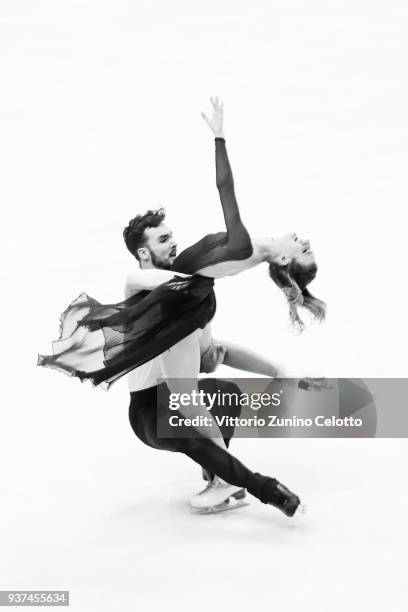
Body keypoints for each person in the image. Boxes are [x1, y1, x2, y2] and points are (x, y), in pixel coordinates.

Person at [38, 98, 327, 516]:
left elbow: (217, 353)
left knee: (221, 393)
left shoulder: (195, 295)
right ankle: (257, 486)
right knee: (185, 414)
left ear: (283, 261)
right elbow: (138, 281)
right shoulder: (144, 283)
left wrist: (281, 371)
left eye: (171, 236)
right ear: (142, 253)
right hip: (147, 413)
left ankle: (220, 481)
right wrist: (219, 137)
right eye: (162, 239)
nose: (173, 242)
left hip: (184, 355)